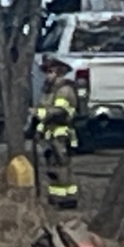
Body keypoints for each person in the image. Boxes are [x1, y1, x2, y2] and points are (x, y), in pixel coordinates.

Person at [32, 57, 81, 208]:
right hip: (50, 133)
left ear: (58, 72)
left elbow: (60, 111)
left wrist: (38, 113)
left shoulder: (64, 90)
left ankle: (68, 199)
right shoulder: (49, 89)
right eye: (47, 72)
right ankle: (56, 197)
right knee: (52, 167)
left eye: (50, 71)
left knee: (62, 166)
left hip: (61, 133)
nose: (47, 75)